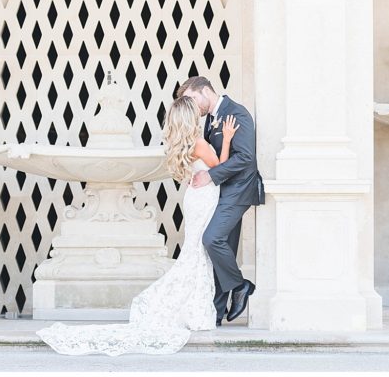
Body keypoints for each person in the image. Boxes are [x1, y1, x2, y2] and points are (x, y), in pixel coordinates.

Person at [36, 95, 237, 355]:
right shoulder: (199, 144)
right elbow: (221, 168)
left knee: (194, 253)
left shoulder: (180, 145)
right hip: (205, 198)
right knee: (197, 254)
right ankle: (194, 310)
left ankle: (192, 308)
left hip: (194, 199)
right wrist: (228, 138)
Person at [177, 75, 264, 326]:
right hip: (218, 192)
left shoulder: (237, 113)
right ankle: (214, 314)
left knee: (212, 239)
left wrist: (210, 176)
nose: (192, 106)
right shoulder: (209, 119)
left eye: (192, 99)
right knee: (218, 250)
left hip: (237, 191)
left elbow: (245, 158)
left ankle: (240, 286)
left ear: (205, 91)